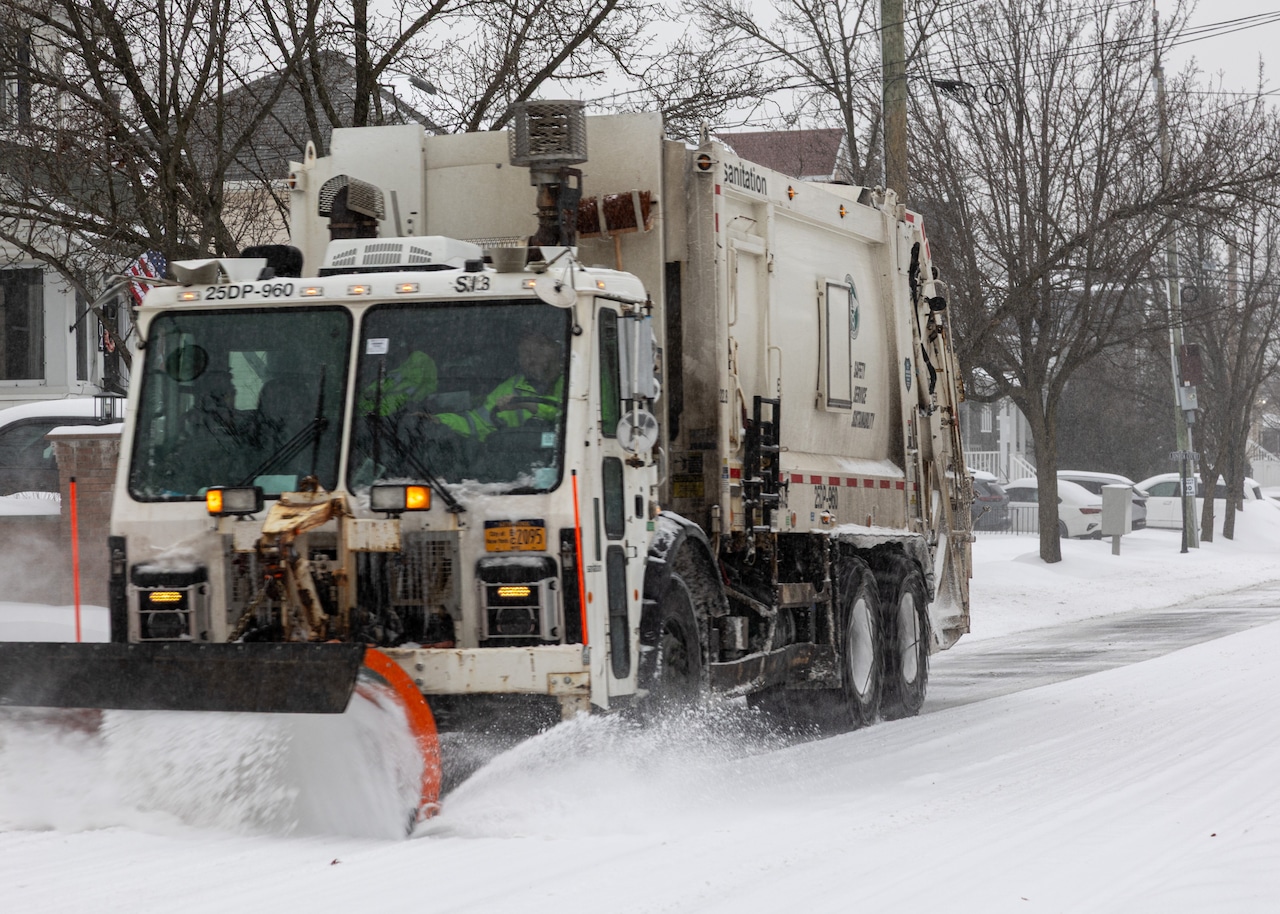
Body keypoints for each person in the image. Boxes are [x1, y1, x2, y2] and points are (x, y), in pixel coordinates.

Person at [437, 331, 564, 441]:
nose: (531, 358)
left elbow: (570, 415)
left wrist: (530, 405)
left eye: (538, 350)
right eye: (524, 353)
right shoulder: (512, 386)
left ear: (554, 349)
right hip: (521, 460)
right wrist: (440, 420)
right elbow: (478, 423)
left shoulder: (575, 381)